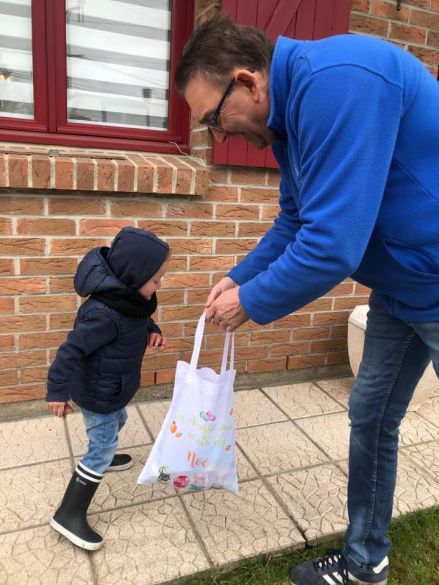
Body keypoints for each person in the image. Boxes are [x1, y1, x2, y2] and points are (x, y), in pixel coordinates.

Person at [175, 14, 439, 585]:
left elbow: (332, 245)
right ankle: (366, 562)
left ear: (246, 81)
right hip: (403, 289)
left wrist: (252, 302)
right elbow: (296, 219)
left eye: (214, 121)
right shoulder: (291, 122)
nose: (219, 137)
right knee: (371, 419)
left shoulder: (340, 80)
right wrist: (238, 277)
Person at [46, 227, 170, 551]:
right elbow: (69, 352)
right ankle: (68, 514)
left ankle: (106, 453)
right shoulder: (103, 314)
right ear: (134, 275)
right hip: (98, 392)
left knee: (118, 423)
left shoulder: (130, 300)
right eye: (156, 279)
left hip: (112, 388)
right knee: (100, 446)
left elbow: (140, 318)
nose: (160, 285)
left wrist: (152, 329)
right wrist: (57, 391)